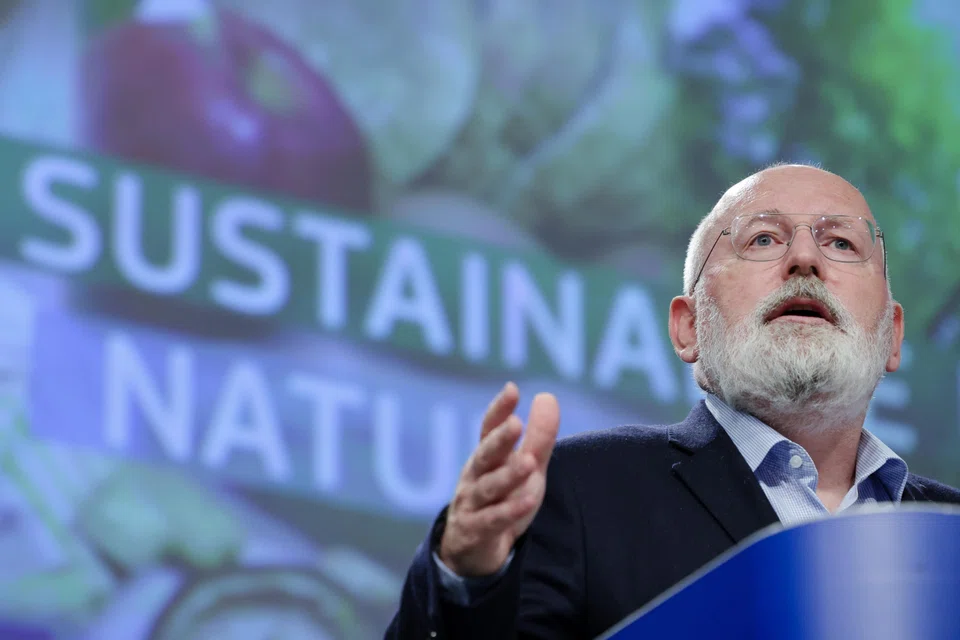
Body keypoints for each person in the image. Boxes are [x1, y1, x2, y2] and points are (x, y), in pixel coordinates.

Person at [383, 164, 960, 639]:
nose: (804, 260)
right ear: (689, 330)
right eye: (763, 239)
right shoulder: (579, 493)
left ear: (892, 336)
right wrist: (466, 578)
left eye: (840, 242)